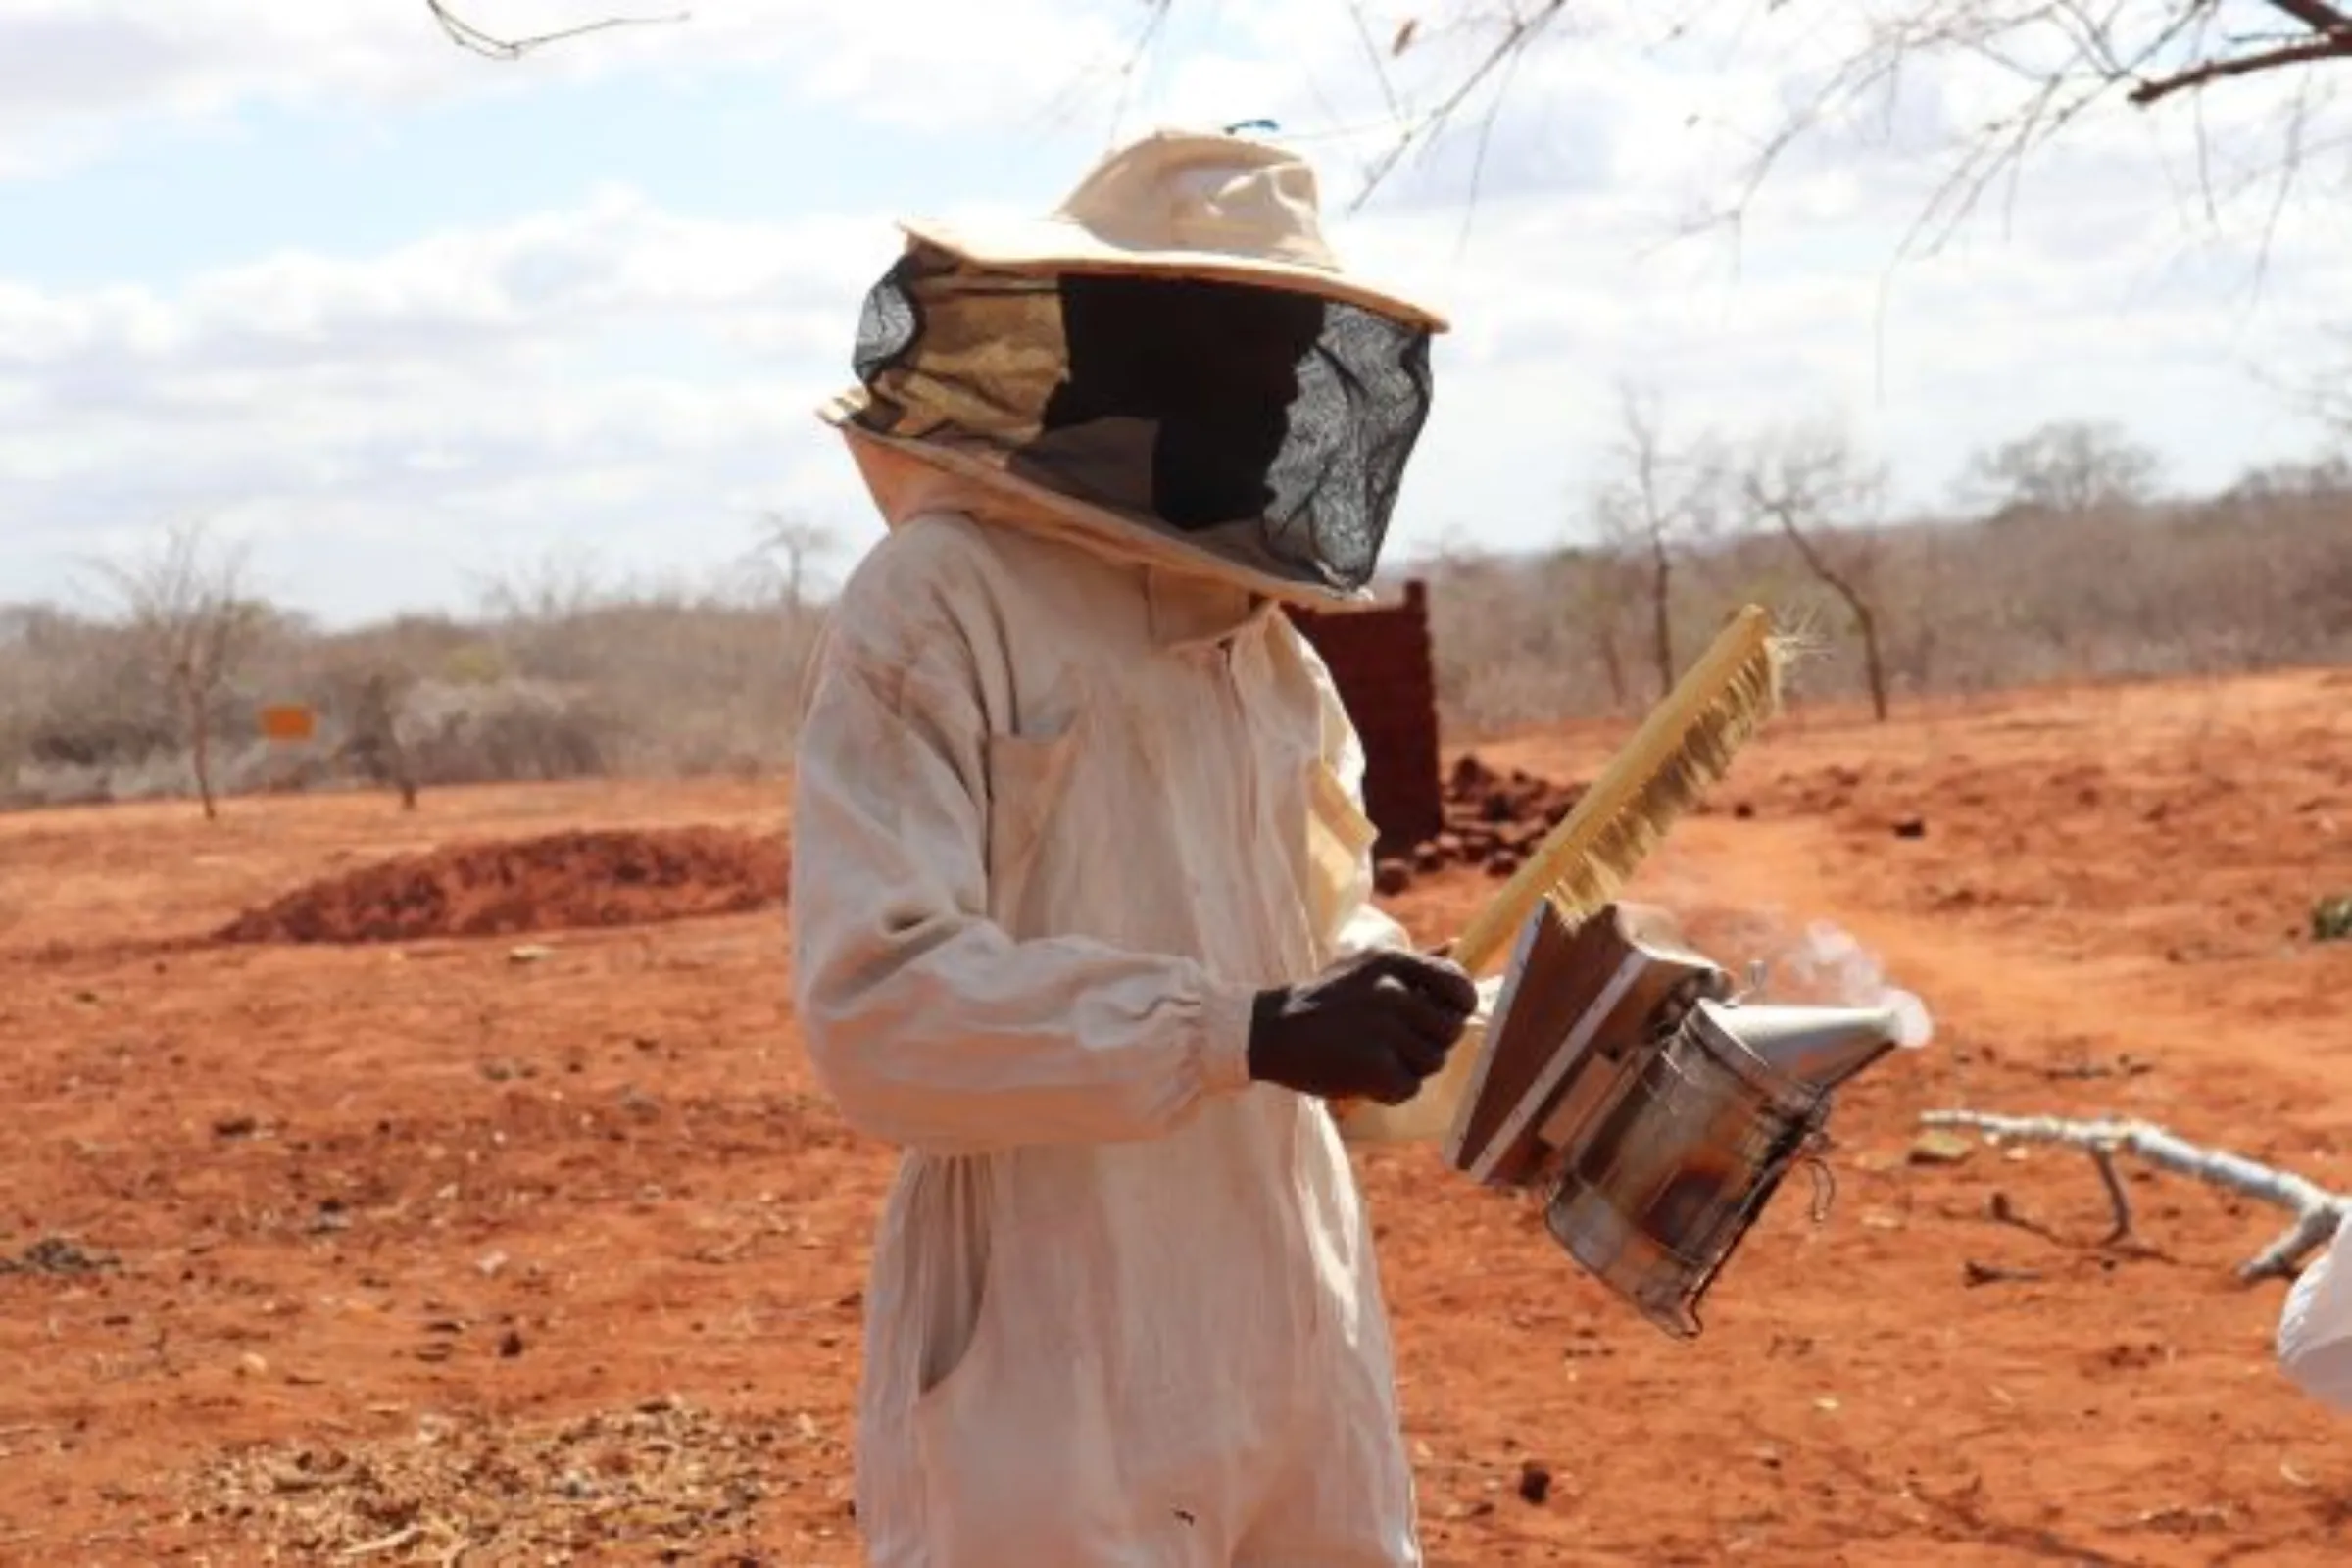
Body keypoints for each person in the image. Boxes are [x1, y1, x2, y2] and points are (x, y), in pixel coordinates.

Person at [789, 127, 1481, 1566]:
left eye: (1308, 355)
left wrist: (1424, 1005)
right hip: (1053, 1354)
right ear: (1119, 342)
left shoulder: (1270, 659)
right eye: (1256, 348)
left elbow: (1315, 944)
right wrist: (1246, 1031)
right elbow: (880, 1015)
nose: (1294, 396)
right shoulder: (938, 604)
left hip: (1294, 1329)